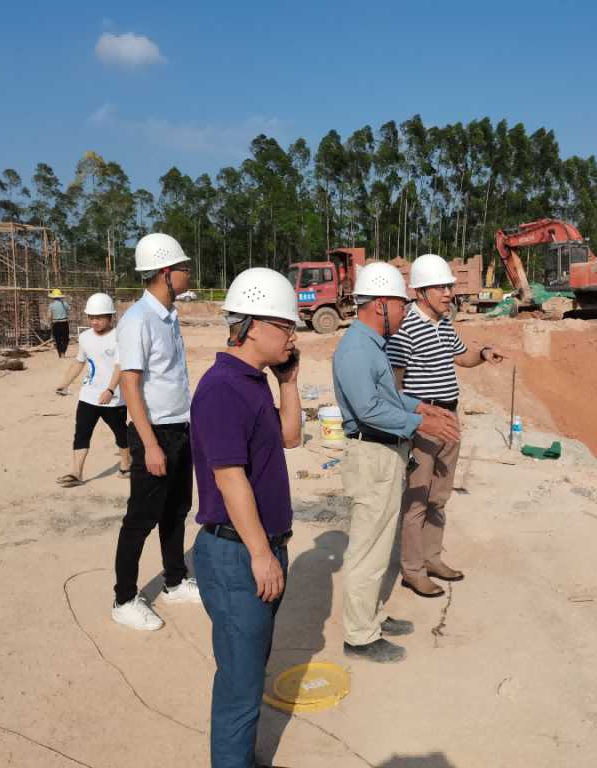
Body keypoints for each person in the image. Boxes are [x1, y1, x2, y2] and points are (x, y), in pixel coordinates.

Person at [191, 267, 301, 768]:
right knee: (239, 688)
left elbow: (291, 437)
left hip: (256, 549)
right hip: (238, 554)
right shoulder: (221, 389)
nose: (293, 336)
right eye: (286, 326)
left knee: (250, 674)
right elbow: (230, 479)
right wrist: (261, 554)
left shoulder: (253, 381)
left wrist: (289, 382)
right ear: (253, 326)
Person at [332, 262, 461, 664]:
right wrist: (421, 422)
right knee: (367, 550)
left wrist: (419, 406)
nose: (405, 312)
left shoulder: (371, 343)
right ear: (380, 305)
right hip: (371, 454)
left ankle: (372, 614)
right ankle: (360, 636)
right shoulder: (357, 348)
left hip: (385, 453)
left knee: (379, 543)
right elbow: (369, 409)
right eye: (401, 306)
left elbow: (386, 396)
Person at [387, 254, 505, 598]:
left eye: (449, 286)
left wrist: (482, 353)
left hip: (450, 420)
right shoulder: (406, 328)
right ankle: (413, 571)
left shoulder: (444, 323)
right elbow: (395, 385)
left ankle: (432, 558)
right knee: (417, 499)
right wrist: (411, 424)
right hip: (424, 424)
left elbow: (460, 357)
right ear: (421, 292)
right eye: (440, 287)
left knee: (439, 495)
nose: (448, 293)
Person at [111, 233, 200, 631]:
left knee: (177, 511)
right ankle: (124, 599)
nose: (187, 274)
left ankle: (174, 581)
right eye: (183, 268)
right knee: (141, 519)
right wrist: (149, 445)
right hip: (154, 434)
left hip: (179, 429)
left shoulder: (169, 315)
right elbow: (130, 384)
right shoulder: (138, 320)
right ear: (165, 272)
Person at [55, 293, 130, 488]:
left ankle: (125, 464)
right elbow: (79, 361)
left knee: (121, 433)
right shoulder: (85, 337)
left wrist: (110, 390)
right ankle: (77, 472)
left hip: (114, 398)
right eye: (91, 317)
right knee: (81, 433)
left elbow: (120, 366)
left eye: (99, 318)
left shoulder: (119, 337)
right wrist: (65, 383)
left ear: (109, 316)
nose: (94, 322)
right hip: (88, 396)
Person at [46, 289, 71, 358]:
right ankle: (63, 351)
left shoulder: (51, 305)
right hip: (64, 322)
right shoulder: (65, 304)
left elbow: (49, 315)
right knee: (65, 338)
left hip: (56, 323)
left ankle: (60, 352)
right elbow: (69, 310)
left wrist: (48, 322)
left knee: (58, 339)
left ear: (53, 297)